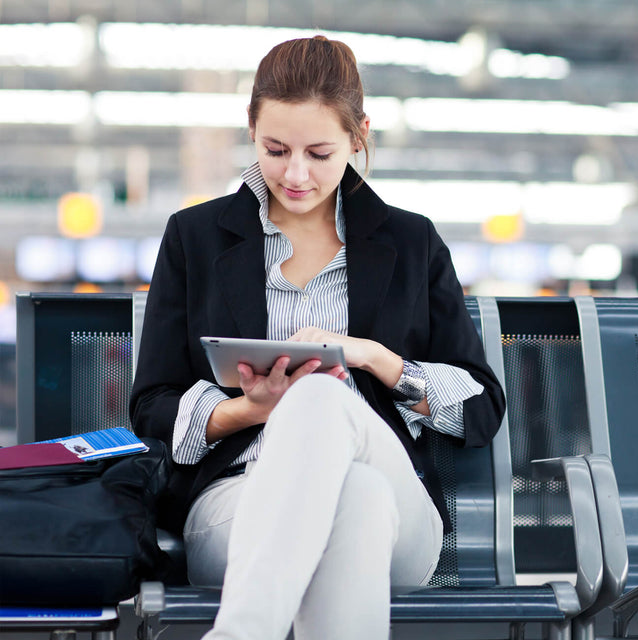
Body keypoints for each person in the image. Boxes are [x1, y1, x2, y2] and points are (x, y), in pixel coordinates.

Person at [130, 35, 505, 640]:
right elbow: (151, 409)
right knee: (349, 496)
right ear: (251, 127)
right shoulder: (195, 238)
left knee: (328, 404)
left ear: (358, 135)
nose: (295, 174)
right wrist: (245, 410)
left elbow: (481, 409)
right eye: (276, 150)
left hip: (399, 513)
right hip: (238, 505)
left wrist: (378, 361)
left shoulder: (411, 244)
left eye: (319, 153)